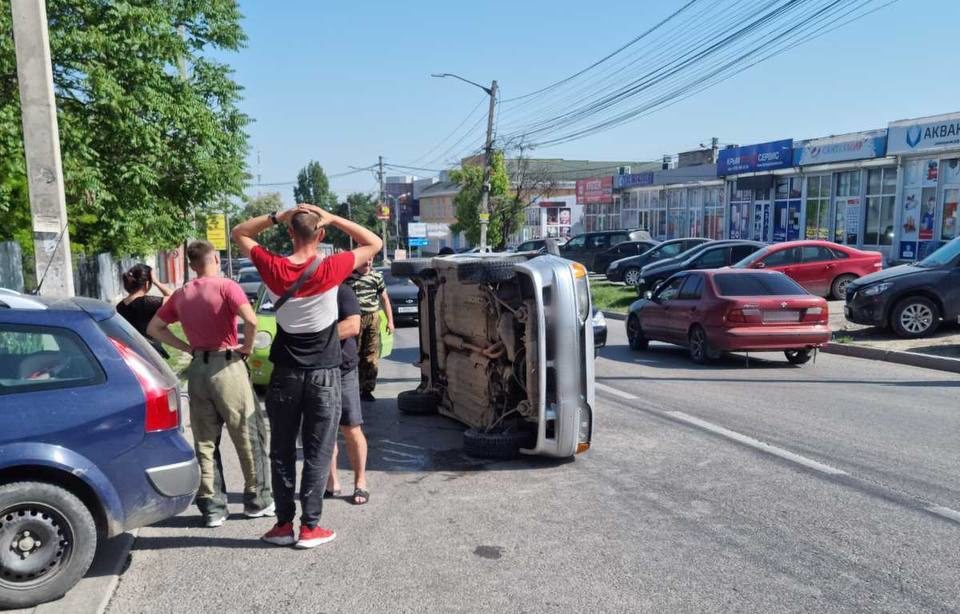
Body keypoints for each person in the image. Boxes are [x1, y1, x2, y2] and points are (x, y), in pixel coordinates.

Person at [231, 204, 382, 549]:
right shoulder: (331, 267)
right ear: (322, 235)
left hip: (284, 374)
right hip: (324, 375)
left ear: (289, 233)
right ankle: (310, 528)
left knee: (282, 450)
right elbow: (373, 242)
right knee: (318, 450)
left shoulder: (273, 267)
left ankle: (283, 526)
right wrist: (334, 218)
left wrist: (275, 216)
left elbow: (239, 232)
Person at [147, 241, 273, 528]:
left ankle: (213, 508)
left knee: (204, 441)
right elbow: (251, 320)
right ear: (215, 257)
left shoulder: (181, 294)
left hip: (198, 370)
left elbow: (154, 328)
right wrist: (247, 347)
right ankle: (258, 500)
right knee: (247, 434)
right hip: (227, 364)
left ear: (192, 266)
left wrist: (186, 347)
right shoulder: (227, 287)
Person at [326, 284, 368, 505]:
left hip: (343, 368)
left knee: (351, 427)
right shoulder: (307, 291)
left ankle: (360, 482)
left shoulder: (342, 292)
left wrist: (317, 337)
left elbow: (353, 326)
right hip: (318, 370)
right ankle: (332, 483)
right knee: (325, 429)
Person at [348, 259, 394, 402]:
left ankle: (367, 389)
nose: (367, 262)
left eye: (370, 259)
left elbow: (384, 299)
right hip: (355, 318)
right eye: (365, 259)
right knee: (353, 354)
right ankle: (353, 388)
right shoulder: (349, 277)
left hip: (373, 318)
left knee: (371, 355)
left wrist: (390, 321)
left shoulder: (377, 277)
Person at [117, 264, 173, 357]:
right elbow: (175, 298)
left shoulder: (120, 306)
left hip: (131, 353)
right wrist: (157, 282)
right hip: (151, 353)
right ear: (147, 284)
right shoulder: (147, 302)